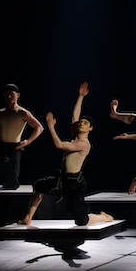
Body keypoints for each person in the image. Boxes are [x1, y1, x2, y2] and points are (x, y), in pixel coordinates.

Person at [19, 83, 114, 227]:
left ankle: (103, 217)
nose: (81, 123)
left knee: (82, 221)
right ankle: (28, 217)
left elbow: (59, 145)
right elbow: (75, 116)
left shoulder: (84, 144)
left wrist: (51, 126)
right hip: (62, 178)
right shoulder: (76, 137)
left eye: (85, 123)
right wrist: (80, 96)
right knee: (39, 186)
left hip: (75, 183)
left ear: (90, 128)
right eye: (80, 122)